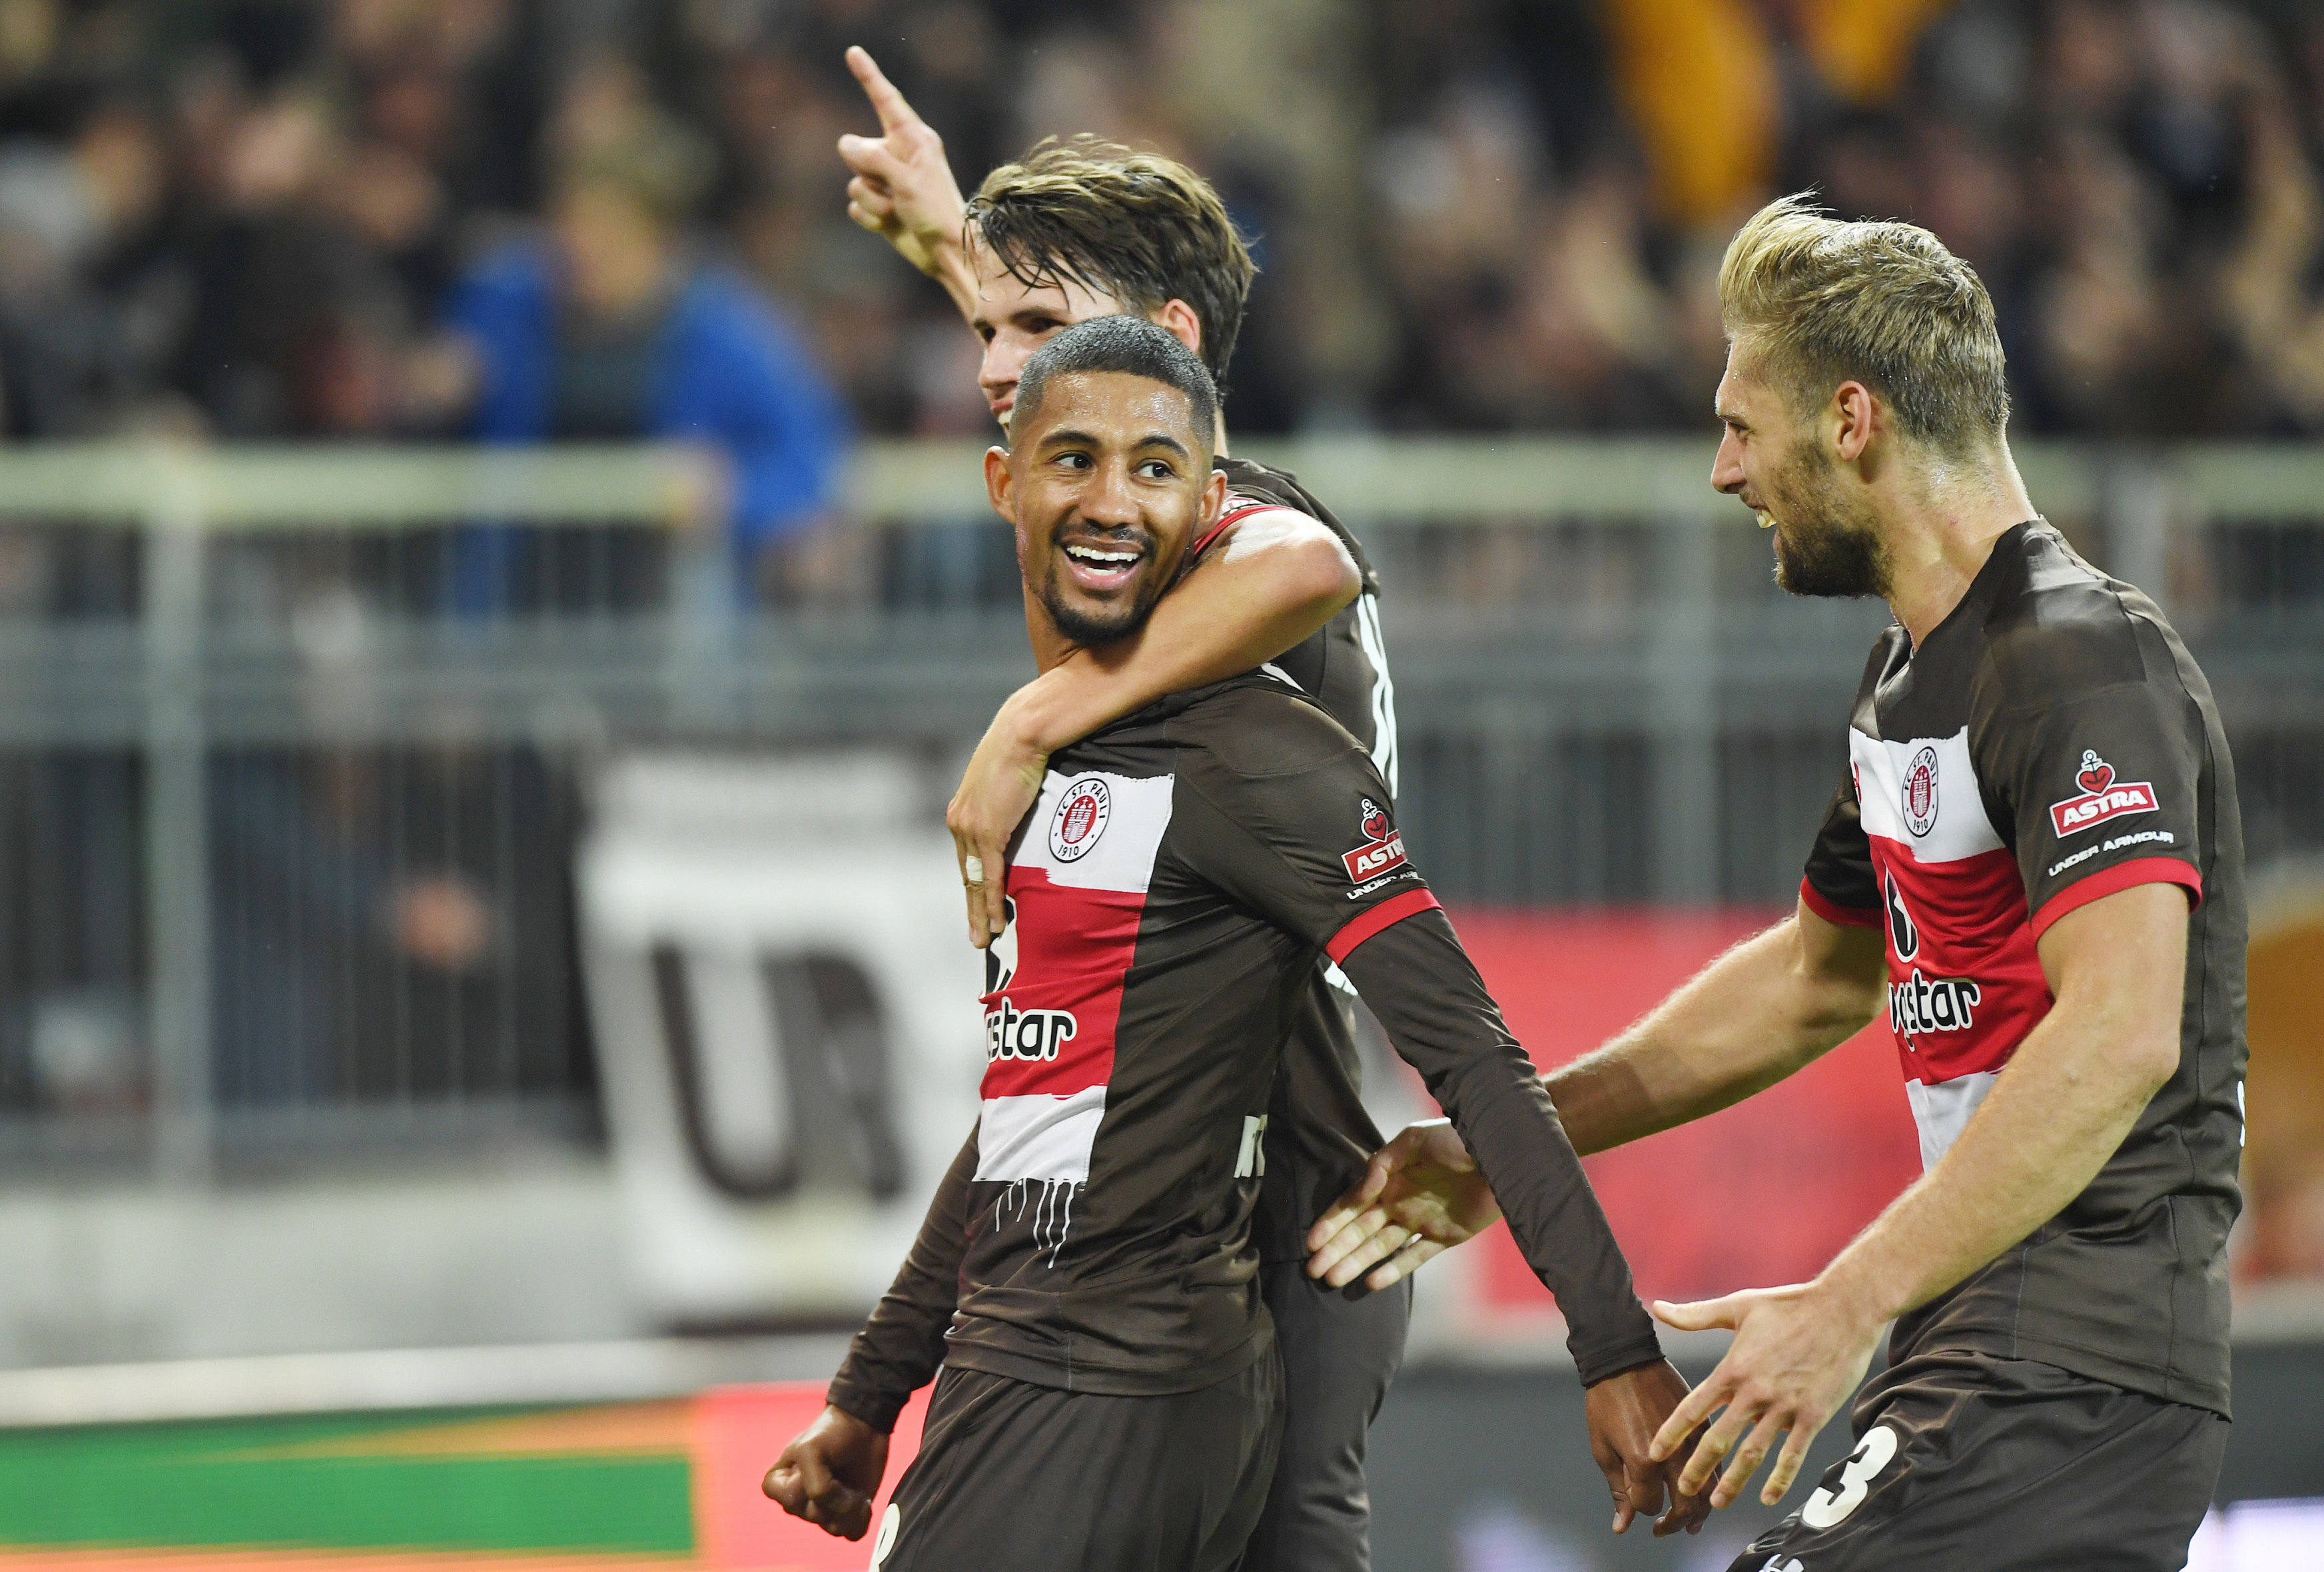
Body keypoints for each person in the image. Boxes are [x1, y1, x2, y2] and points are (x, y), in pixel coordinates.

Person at [1306, 195, 2247, 1571]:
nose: (1721, 470)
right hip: (1987, 1351)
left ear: (1849, 419)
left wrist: (1841, 1300)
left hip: (2074, 1365)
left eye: (1740, 424)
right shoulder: (1906, 677)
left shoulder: (2074, 658)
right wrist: (1508, 1155)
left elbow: (2118, 1030)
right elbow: (1813, 980)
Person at [768, 314, 1696, 1569]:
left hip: (1124, 1386)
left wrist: (1615, 1348)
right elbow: (1040, 1100)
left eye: (1152, 470)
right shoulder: (1053, 754)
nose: (1110, 504)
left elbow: (1474, 1059)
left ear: (1208, 502)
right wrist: (873, 1390)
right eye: (1073, 461)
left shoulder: (1258, 761)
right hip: (1028, 1371)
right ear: (1003, 481)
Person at [768, 52, 1491, 1571]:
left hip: (1294, 1205)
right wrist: (953, 233)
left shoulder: (1237, 522)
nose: (992, 363)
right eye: (982, 328)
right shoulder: (1131, 469)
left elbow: (1309, 562)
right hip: (1181, 1165)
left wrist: (1036, 709)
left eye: (1027, 326)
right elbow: (1076, 334)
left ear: (1166, 350)